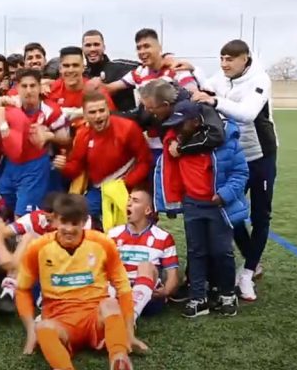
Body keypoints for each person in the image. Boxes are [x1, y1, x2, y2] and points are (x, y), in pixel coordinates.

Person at [188, 39, 278, 301]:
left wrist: (215, 101)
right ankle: (253, 261)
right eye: (222, 58)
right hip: (235, 157)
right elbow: (206, 88)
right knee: (231, 211)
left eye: (230, 59)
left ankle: (247, 273)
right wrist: (192, 70)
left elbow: (248, 114)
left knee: (261, 215)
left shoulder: (260, 79)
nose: (225, 64)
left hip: (261, 156)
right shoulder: (222, 77)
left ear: (245, 59)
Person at [16, 194, 135, 370]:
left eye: (75, 223)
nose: (69, 229)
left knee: (110, 304)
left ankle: (119, 357)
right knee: (43, 327)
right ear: (55, 220)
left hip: (95, 316)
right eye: (64, 222)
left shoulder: (103, 243)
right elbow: (22, 289)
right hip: (60, 320)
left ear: (84, 221)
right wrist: (30, 331)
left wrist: (129, 333)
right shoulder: (38, 248)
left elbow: (123, 288)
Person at [156, 100, 249, 318]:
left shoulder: (225, 143)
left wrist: (224, 195)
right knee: (195, 252)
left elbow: (241, 173)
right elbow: (168, 174)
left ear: (196, 122)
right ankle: (198, 297)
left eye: (182, 123)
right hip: (192, 205)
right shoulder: (177, 144)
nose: (177, 128)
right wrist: (171, 203)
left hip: (219, 207)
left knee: (221, 251)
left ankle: (227, 294)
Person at [0, 70, 65, 218]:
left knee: (22, 216)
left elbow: (15, 151)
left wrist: (3, 123)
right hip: (12, 166)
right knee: (0, 205)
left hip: (33, 167)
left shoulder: (13, 115)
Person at [53, 91, 152, 228]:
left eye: (101, 110)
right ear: (85, 115)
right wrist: (63, 166)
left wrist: (127, 183)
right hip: (99, 190)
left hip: (130, 188)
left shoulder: (128, 128)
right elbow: (76, 167)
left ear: (108, 110)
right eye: (92, 112)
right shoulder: (83, 135)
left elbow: (145, 161)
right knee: (79, 217)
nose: (98, 116)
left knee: (134, 224)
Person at [107, 186, 180, 322]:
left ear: (147, 210)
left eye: (135, 201)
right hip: (118, 291)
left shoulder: (163, 237)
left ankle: (130, 316)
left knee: (146, 266)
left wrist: (166, 292)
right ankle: (119, 313)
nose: (128, 203)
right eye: (128, 200)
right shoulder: (113, 234)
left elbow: (173, 275)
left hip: (148, 298)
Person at [97, 29, 198, 99]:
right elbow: (110, 88)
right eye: (139, 48)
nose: (142, 51)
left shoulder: (177, 67)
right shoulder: (138, 73)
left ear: (159, 47)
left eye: (146, 46)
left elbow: (193, 93)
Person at [48, 46, 115, 128]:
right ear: (60, 68)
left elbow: (112, 120)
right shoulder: (51, 89)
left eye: (75, 65)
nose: (70, 70)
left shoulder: (95, 89)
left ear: (83, 68)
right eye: (66, 66)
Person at [82, 29, 140, 111]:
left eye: (96, 45)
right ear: (83, 48)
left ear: (104, 47)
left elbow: (148, 66)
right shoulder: (81, 75)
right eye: (88, 45)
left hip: (125, 120)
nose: (92, 49)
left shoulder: (121, 66)